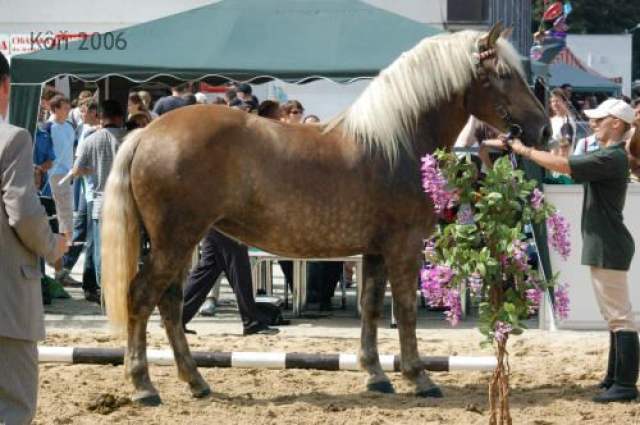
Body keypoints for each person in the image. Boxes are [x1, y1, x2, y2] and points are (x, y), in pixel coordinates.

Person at [506, 98, 638, 403]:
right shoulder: (609, 155)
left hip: (607, 244)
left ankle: (625, 384)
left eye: (598, 120)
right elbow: (564, 162)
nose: (592, 124)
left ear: (616, 123)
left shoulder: (611, 157)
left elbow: (564, 164)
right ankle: (613, 378)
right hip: (606, 242)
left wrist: (524, 151)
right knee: (613, 315)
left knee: (620, 316)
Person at [0, 50, 67, 425]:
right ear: (5, 86)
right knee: (13, 407)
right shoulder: (12, 139)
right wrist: (52, 246)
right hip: (5, 298)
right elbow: (24, 214)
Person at [182, 229, 280, 336]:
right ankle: (252, 322)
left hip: (219, 225)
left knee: (208, 270)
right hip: (228, 226)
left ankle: (177, 316)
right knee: (239, 268)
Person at [71, 100, 127, 284]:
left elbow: (76, 170)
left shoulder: (90, 140)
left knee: (101, 251)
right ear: (120, 117)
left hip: (100, 203)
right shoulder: (129, 138)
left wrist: (93, 169)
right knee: (123, 251)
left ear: (100, 117)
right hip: (125, 202)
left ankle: (104, 289)